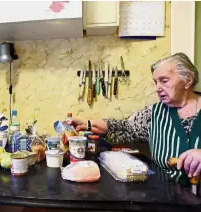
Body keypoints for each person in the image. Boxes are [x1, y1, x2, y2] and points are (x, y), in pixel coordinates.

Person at [69, 53, 201, 185]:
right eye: (155, 82)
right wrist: (87, 124)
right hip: (166, 195)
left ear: (188, 80)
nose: (157, 88)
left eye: (164, 81)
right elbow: (125, 128)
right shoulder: (153, 113)